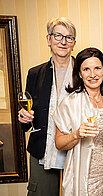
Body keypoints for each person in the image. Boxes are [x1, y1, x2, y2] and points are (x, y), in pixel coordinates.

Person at [53, 47, 103, 196]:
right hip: (86, 178)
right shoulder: (69, 103)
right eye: (86, 69)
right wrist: (76, 134)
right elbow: (59, 144)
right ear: (80, 74)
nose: (92, 74)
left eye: (97, 68)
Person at [18, 17, 76, 195]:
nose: (63, 41)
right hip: (43, 146)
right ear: (48, 39)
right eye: (58, 35)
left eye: (69, 37)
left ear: (74, 43)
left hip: (76, 147)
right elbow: (27, 119)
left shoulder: (83, 71)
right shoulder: (35, 73)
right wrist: (24, 118)